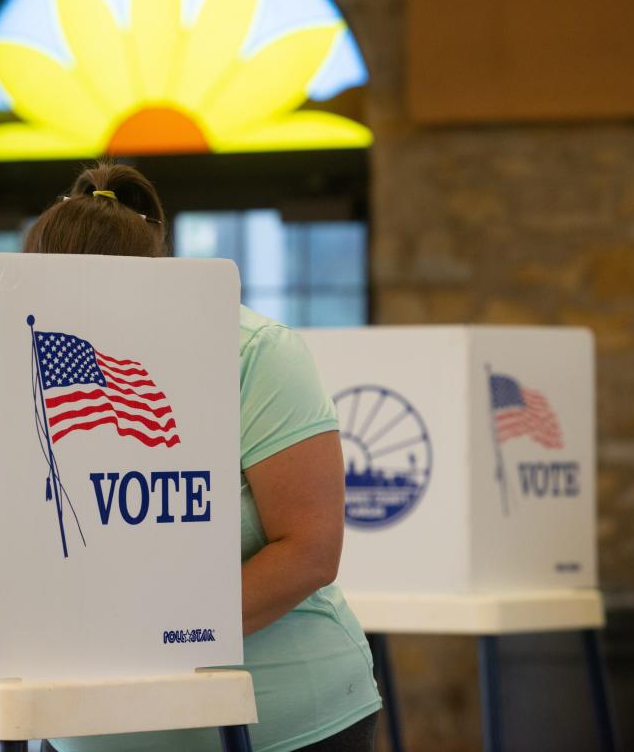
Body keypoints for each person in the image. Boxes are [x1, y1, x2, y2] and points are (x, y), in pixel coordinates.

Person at [26, 163, 381, 752]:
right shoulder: (20, 356)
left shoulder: (254, 352)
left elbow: (311, 550)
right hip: (87, 732)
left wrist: (143, 638)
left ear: (152, 284)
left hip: (281, 725)